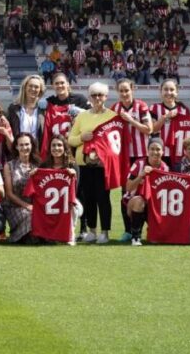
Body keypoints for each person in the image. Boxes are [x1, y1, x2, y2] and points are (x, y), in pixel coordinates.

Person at [68, 82, 117, 244]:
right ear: (89, 97)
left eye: (100, 95)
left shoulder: (112, 116)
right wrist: (82, 138)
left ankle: (105, 232)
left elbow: (116, 141)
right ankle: (92, 230)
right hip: (84, 164)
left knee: (103, 198)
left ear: (106, 97)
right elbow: (71, 139)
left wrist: (105, 156)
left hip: (103, 165)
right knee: (88, 198)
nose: (97, 98)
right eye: (94, 95)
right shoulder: (82, 116)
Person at [110, 79, 153, 242]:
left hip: (141, 156)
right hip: (124, 157)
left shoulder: (141, 106)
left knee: (144, 192)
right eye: (121, 91)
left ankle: (147, 228)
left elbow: (149, 129)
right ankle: (128, 230)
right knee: (125, 192)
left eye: (126, 90)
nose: (124, 93)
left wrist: (131, 120)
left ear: (132, 89)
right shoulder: (114, 108)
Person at [122, 138, 169, 246]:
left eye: (158, 149)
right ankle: (135, 237)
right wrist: (140, 176)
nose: (155, 152)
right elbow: (128, 188)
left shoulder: (165, 168)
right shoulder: (139, 164)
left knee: (156, 240)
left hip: (152, 204)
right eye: (152, 149)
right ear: (147, 150)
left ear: (163, 151)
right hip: (132, 201)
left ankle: (153, 231)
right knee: (140, 201)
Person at [3, 133, 40, 243]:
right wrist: (27, 206)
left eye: (27, 144)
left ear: (32, 145)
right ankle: (16, 237)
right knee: (31, 216)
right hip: (14, 206)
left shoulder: (38, 165)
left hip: (34, 206)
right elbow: (9, 194)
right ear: (16, 147)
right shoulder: (9, 166)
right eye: (21, 145)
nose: (24, 147)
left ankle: (30, 236)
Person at [149, 79, 190, 161]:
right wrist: (165, 117)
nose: (168, 92)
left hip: (179, 152)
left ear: (177, 92)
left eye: (172, 90)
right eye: (165, 89)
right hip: (160, 152)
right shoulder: (154, 108)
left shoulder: (184, 110)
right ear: (161, 91)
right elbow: (153, 130)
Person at [7, 75, 45, 139]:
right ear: (25, 88)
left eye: (36, 87)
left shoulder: (43, 111)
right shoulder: (13, 109)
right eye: (30, 86)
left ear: (40, 90)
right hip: (18, 145)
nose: (33, 89)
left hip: (37, 145)